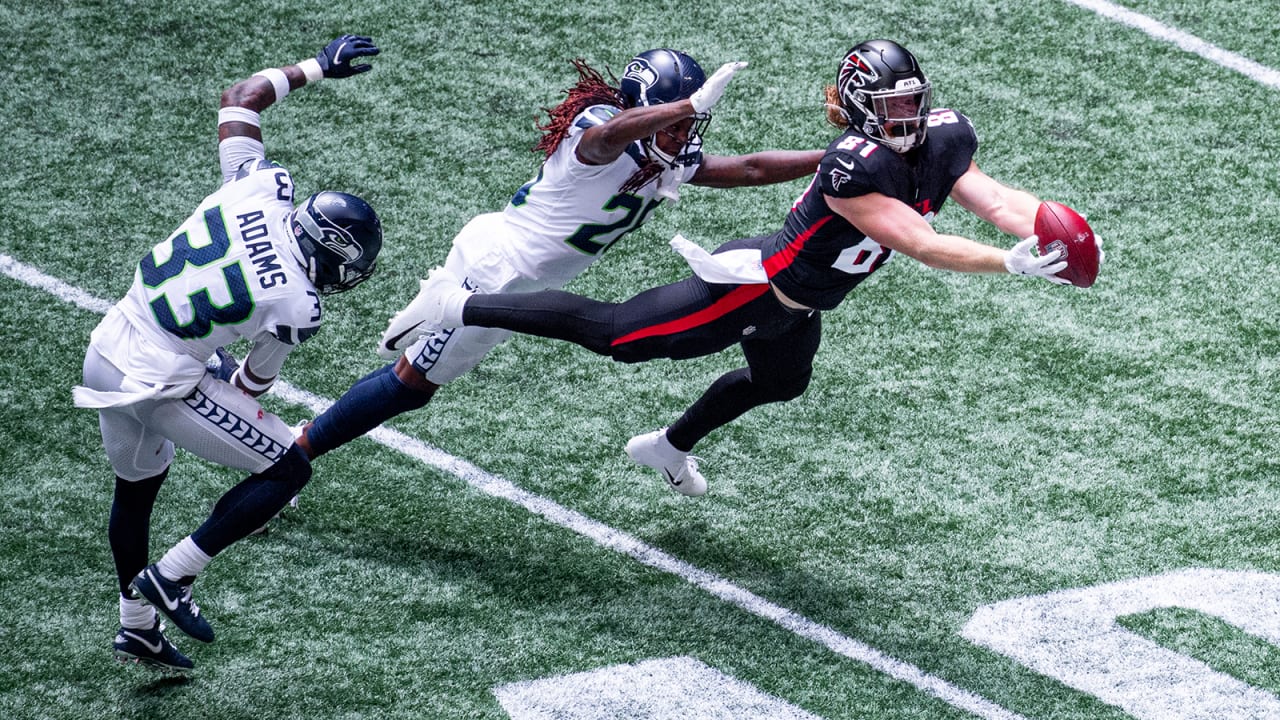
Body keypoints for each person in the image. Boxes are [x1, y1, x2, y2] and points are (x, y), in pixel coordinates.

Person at [379, 39, 1100, 497]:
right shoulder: (855, 164)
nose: (909, 113)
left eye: (913, 99)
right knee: (615, 335)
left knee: (780, 383)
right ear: (857, 110)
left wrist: (1050, 229)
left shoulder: (944, 139)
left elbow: (996, 196)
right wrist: (1006, 263)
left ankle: (666, 446)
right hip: (752, 288)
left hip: (800, 301)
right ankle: (454, 305)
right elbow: (915, 240)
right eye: (892, 104)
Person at [293, 49, 824, 461]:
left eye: (689, 124)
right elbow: (607, 137)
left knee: (409, 365)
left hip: (508, 271)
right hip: (497, 274)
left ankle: (408, 329)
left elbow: (751, 168)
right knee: (411, 384)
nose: (684, 134)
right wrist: (684, 105)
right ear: (644, 109)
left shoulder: (665, 155)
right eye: (676, 122)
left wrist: (831, 157)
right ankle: (294, 454)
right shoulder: (600, 129)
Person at [73, 34, 382, 674]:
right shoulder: (298, 303)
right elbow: (252, 383)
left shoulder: (259, 188)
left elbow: (240, 99)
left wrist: (317, 67)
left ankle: (137, 627)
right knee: (289, 467)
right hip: (157, 380)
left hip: (107, 344)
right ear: (330, 254)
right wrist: (228, 382)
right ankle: (176, 576)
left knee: (135, 492)